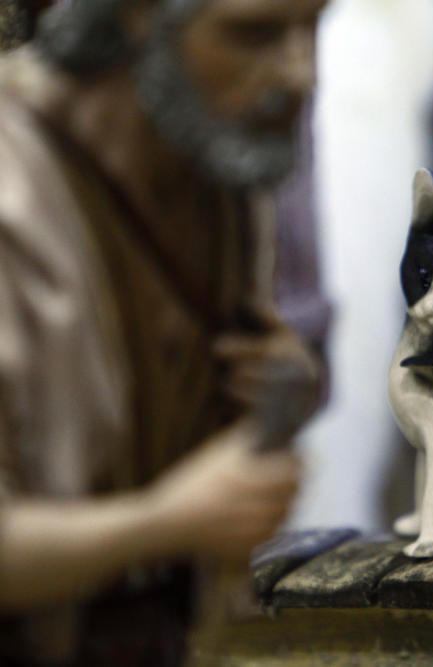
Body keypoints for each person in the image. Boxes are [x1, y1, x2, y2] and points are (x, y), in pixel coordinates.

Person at [0, 0, 328, 663]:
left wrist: (277, 386)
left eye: (314, 26)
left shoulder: (219, 164)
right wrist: (163, 521)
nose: (301, 73)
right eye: (253, 33)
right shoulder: (16, 191)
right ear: (135, 18)